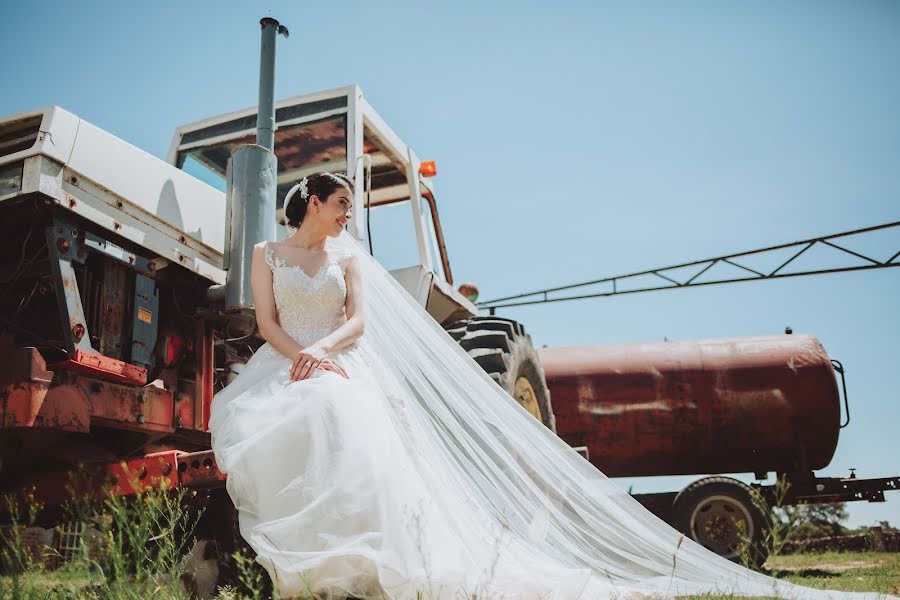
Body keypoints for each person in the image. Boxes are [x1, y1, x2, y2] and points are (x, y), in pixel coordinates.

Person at [209, 172, 894, 600]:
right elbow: (267, 321)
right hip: (288, 356)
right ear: (315, 205)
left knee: (346, 425)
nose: (349, 217)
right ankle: (298, 569)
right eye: (343, 206)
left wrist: (324, 352)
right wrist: (298, 355)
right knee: (285, 424)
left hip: (335, 357)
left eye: (354, 208)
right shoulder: (269, 256)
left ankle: (355, 571)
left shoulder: (350, 259)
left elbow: (357, 321)